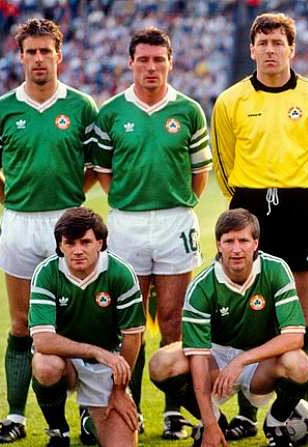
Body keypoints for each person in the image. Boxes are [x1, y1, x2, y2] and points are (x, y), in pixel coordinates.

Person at [210, 12, 308, 440]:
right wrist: (252, 198)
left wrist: (301, 201)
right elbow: (224, 164)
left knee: (300, 318)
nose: (270, 50)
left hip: (300, 205)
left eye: (277, 43)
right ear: (251, 50)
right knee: (254, 314)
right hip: (249, 205)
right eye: (262, 43)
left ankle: (302, 410)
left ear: (292, 49)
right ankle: (248, 413)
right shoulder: (230, 101)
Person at [0, 18, 98, 444]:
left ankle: (86, 413)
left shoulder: (82, 106)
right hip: (19, 224)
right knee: (22, 323)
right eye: (31, 51)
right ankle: (16, 417)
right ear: (21, 56)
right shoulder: (1, 109)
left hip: (68, 225)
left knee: (79, 323)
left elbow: (94, 168)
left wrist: (68, 206)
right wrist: (15, 204)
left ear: (59, 55)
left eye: (46, 51)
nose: (39, 58)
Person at [91, 26, 212, 440]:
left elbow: (200, 175)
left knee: (174, 318)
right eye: (143, 59)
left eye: (159, 59)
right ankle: (131, 405)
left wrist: (173, 203)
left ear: (171, 62)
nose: (151, 67)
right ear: (131, 62)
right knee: (130, 319)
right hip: (126, 222)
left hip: (176, 220)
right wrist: (133, 203)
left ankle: (173, 411)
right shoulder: (110, 113)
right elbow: (104, 174)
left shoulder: (189, 110)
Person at [147, 209, 308, 447]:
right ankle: (214, 420)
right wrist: (210, 424)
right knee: (162, 363)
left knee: (299, 364)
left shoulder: (276, 270)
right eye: (229, 241)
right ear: (218, 244)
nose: (236, 249)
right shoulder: (202, 286)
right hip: (216, 357)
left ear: (256, 243)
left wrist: (242, 360)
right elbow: (199, 357)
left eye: (243, 240)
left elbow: (295, 337)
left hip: (260, 361)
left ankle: (276, 423)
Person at [28, 207, 144, 446]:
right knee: (45, 364)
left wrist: (119, 391)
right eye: (70, 243)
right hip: (65, 361)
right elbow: (43, 341)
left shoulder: (120, 272)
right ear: (60, 246)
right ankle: (58, 429)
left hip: (106, 367)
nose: (78, 250)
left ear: (100, 243)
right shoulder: (47, 273)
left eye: (86, 242)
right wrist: (96, 352)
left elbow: (133, 337)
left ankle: (93, 414)